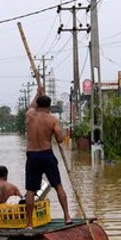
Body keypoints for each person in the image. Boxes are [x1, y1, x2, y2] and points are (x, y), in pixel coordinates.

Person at [25, 86, 73, 228]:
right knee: (58, 185)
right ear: (49, 106)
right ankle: (67, 216)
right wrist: (57, 132)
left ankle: (29, 223)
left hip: (32, 154)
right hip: (46, 153)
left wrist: (37, 93)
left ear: (38, 105)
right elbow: (59, 139)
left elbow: (30, 106)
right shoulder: (52, 120)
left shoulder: (29, 116)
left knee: (31, 190)